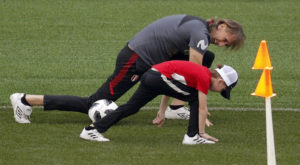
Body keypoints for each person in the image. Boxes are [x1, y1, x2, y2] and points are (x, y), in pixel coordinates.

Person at [10, 14, 245, 124]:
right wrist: (200, 107)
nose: (222, 43)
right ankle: (25, 100)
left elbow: (189, 69)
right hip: (136, 59)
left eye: (227, 45)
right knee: (94, 102)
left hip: (150, 59)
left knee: (208, 58)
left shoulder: (198, 26)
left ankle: (175, 108)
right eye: (226, 39)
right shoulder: (200, 34)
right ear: (222, 26)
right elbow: (194, 72)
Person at [79, 60, 238, 145]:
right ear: (220, 80)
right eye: (223, 89)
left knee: (131, 107)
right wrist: (202, 132)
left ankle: (91, 131)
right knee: (195, 98)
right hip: (157, 77)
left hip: (154, 76)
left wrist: (162, 112)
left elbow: (168, 88)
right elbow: (202, 108)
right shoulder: (204, 77)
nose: (219, 91)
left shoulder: (200, 74)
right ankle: (193, 136)